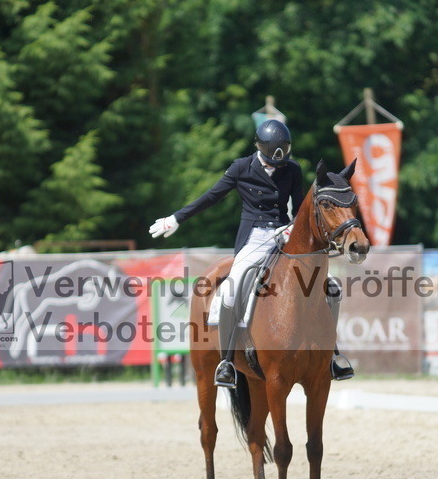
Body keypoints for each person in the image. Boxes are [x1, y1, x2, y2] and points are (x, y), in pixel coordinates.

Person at [149, 118, 353, 387]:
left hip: (284, 234)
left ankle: (331, 354)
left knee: (331, 288)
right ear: (260, 148)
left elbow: (298, 207)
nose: (277, 166)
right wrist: (176, 218)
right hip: (254, 236)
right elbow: (212, 196)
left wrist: (293, 229)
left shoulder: (292, 168)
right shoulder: (241, 168)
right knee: (230, 292)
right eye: (272, 160)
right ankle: (227, 361)